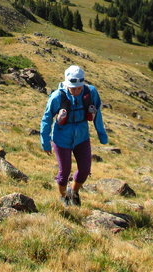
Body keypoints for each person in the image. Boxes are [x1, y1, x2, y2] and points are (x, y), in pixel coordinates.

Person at [40, 64, 108, 206]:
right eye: (72, 88)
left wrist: (101, 134)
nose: (76, 91)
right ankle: (63, 196)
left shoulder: (90, 93)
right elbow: (47, 118)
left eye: (78, 88)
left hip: (82, 137)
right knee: (64, 171)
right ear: (66, 84)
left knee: (84, 170)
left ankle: (74, 192)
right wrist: (45, 142)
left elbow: (97, 114)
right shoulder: (57, 96)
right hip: (61, 139)